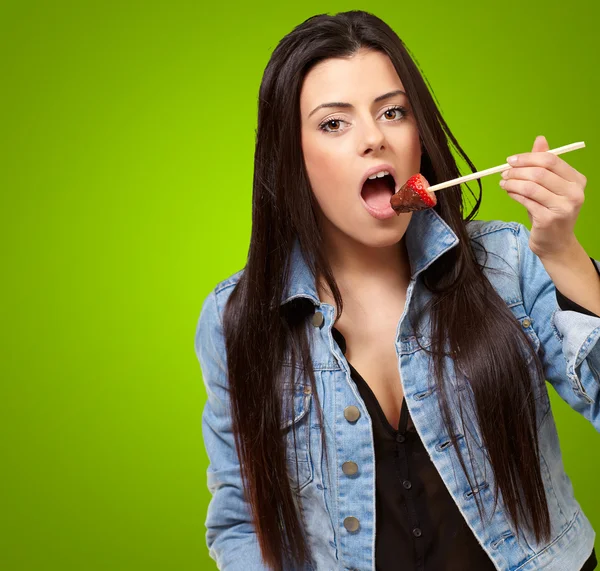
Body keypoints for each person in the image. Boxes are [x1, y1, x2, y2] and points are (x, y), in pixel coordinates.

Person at [194, 10, 600, 571]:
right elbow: (242, 521)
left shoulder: (509, 262)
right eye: (334, 123)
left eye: (392, 112)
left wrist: (565, 255)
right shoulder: (235, 318)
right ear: (292, 155)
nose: (375, 139)